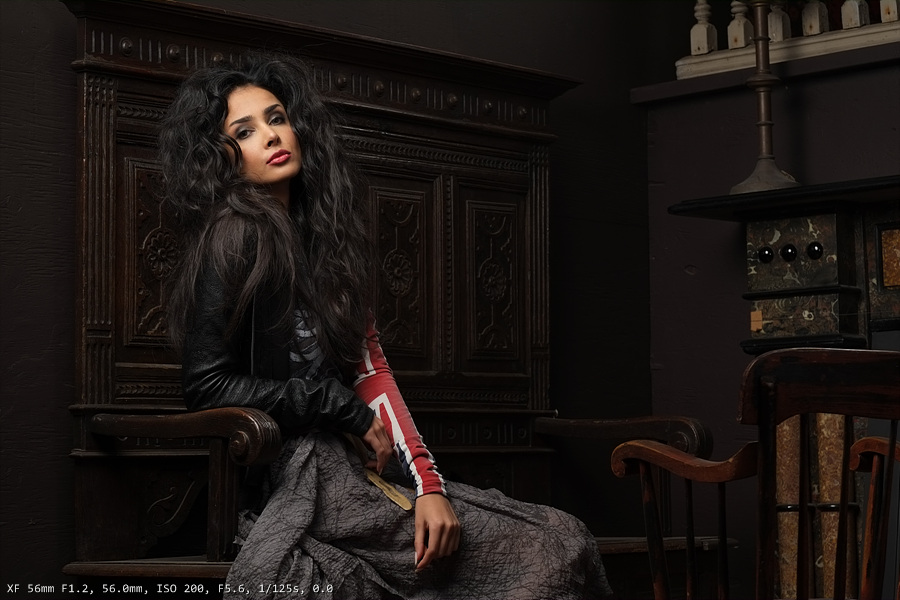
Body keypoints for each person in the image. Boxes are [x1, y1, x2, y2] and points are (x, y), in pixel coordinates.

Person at [159, 50, 613, 600]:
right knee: (549, 547)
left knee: (562, 535)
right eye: (245, 131)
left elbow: (371, 372)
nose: (272, 135)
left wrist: (429, 486)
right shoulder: (235, 234)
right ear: (221, 157)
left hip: (355, 470)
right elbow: (206, 386)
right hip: (289, 477)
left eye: (277, 118)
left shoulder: (325, 244)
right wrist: (335, 405)